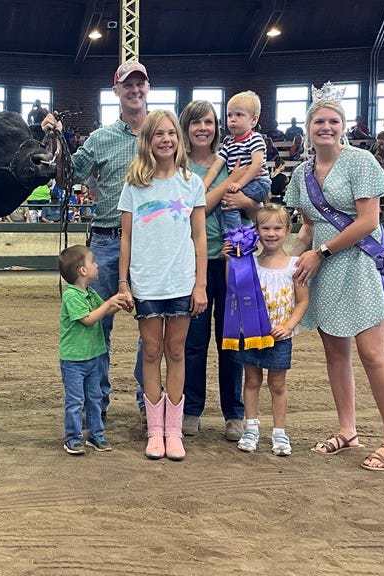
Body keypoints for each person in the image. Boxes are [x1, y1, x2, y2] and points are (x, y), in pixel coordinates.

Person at [286, 84, 384, 472]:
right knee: (335, 354)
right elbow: (307, 226)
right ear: (308, 128)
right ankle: (348, 429)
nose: (326, 126)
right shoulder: (301, 173)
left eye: (333, 121)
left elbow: (369, 221)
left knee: (373, 354)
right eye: (319, 120)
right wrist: (284, 260)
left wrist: (320, 253)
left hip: (356, 265)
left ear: (343, 126)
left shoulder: (360, 162)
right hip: (322, 270)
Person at [41, 60, 150, 422]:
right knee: (97, 329)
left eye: (140, 84)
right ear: (117, 91)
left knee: (153, 328)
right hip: (107, 239)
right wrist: (55, 137)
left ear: (147, 89)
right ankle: (95, 406)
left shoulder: (164, 133)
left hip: (152, 243)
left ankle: (147, 400)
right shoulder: (102, 139)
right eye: (128, 85)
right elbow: (67, 174)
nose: (135, 90)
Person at [117, 109, 208, 461]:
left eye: (171, 133)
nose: (166, 139)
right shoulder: (135, 184)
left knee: (176, 351)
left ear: (178, 139)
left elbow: (199, 237)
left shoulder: (191, 183)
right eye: (159, 134)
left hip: (181, 281)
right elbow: (126, 237)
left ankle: (174, 429)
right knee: (151, 353)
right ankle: (155, 430)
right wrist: (124, 282)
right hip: (147, 282)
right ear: (148, 141)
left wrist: (200, 284)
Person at [231, 205, 309, 456]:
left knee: (278, 384)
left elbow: (303, 301)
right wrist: (231, 257)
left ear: (287, 231)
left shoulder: (295, 266)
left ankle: (279, 432)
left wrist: (288, 325)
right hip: (252, 335)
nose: (271, 233)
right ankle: (251, 427)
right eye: (265, 228)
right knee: (251, 380)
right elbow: (234, 289)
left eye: (277, 228)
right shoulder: (248, 263)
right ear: (256, 231)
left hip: (280, 336)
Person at [57, 245, 130, 455]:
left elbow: (105, 310)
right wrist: (109, 304)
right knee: (76, 400)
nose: (97, 265)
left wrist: (120, 302)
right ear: (82, 270)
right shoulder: (71, 296)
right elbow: (89, 319)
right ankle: (73, 437)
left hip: (93, 357)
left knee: (94, 397)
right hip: (74, 360)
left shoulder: (89, 293)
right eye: (93, 262)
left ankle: (95, 434)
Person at [202, 91, 270, 234]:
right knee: (227, 204)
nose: (232, 119)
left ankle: (236, 238)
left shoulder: (255, 138)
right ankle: (235, 234)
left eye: (239, 115)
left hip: (258, 183)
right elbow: (216, 166)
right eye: (229, 115)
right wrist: (204, 185)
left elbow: (256, 165)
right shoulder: (228, 142)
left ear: (253, 120)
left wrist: (239, 183)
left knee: (228, 201)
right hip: (243, 183)